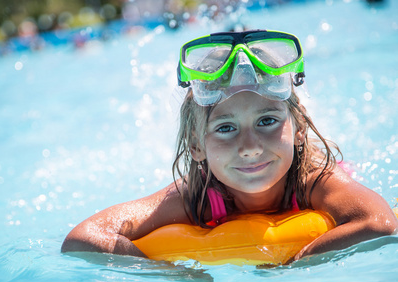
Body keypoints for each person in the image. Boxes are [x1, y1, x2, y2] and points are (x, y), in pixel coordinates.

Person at [61, 29, 397, 261]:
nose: (249, 147)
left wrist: (299, 262)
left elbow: (380, 223)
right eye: (225, 128)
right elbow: (84, 238)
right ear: (196, 145)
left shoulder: (314, 179)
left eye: (267, 121)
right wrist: (168, 273)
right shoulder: (196, 198)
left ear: (299, 129)